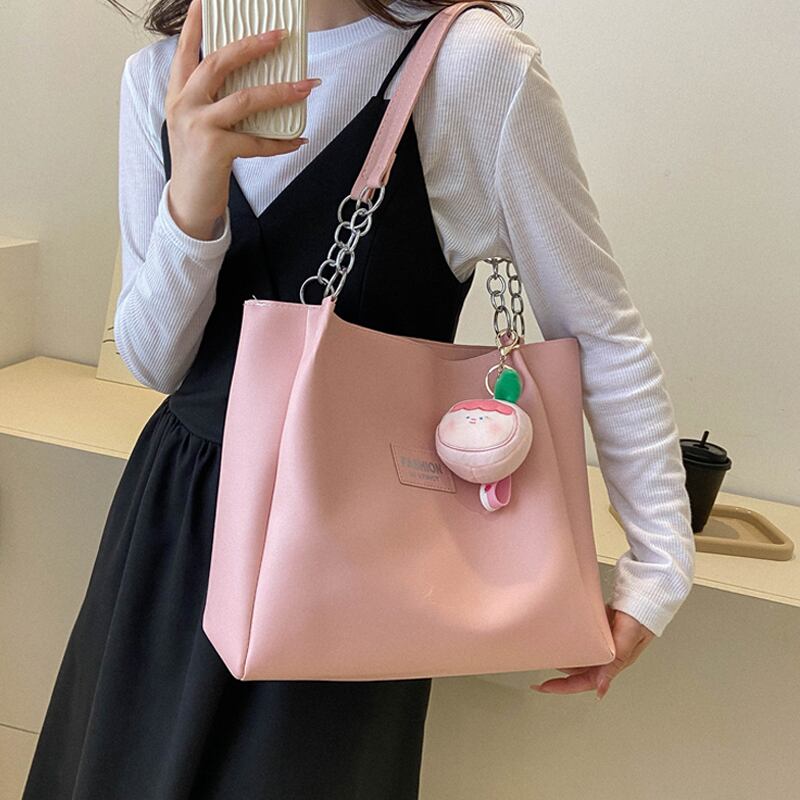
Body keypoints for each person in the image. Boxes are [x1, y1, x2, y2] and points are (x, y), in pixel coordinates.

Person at [22, 0, 696, 797]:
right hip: (177, 532)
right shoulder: (160, 76)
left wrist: (661, 562)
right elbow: (156, 361)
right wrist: (195, 195)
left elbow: (598, 329)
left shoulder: (469, 65)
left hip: (353, 556)